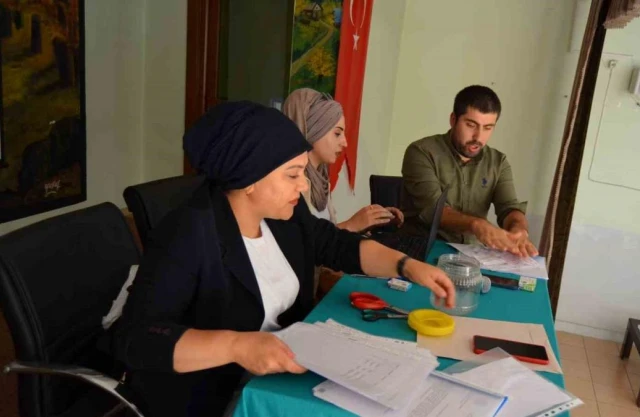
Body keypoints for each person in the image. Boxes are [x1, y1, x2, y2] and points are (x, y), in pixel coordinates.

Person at [109, 101, 456, 417]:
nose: (303, 185)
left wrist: (406, 266)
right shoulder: (188, 234)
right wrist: (236, 346)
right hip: (213, 393)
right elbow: (136, 339)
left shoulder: (282, 215)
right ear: (248, 180)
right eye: (292, 174)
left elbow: (335, 243)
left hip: (282, 372)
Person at [400, 85, 538, 257]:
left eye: (488, 128)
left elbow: (509, 208)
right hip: (422, 248)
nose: (478, 137)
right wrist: (476, 225)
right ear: (453, 120)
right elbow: (433, 211)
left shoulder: (498, 162)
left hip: (471, 255)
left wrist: (518, 229)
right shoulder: (421, 152)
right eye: (471, 125)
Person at [282, 88, 403, 232]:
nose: (344, 143)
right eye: (337, 133)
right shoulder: (289, 183)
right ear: (313, 131)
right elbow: (298, 242)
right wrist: (351, 225)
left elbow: (325, 236)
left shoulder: (322, 180)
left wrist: (368, 221)